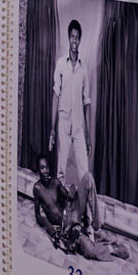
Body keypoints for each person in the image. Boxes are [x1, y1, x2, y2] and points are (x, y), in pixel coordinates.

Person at [52, 17, 99, 250]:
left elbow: (87, 102)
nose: (74, 41)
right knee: (61, 171)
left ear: (80, 40)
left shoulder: (83, 69)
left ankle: (88, 224)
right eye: (71, 37)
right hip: (63, 123)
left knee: (85, 175)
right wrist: (52, 129)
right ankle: (61, 219)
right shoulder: (61, 64)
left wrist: (88, 136)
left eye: (77, 38)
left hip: (79, 127)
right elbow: (56, 96)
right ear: (68, 38)